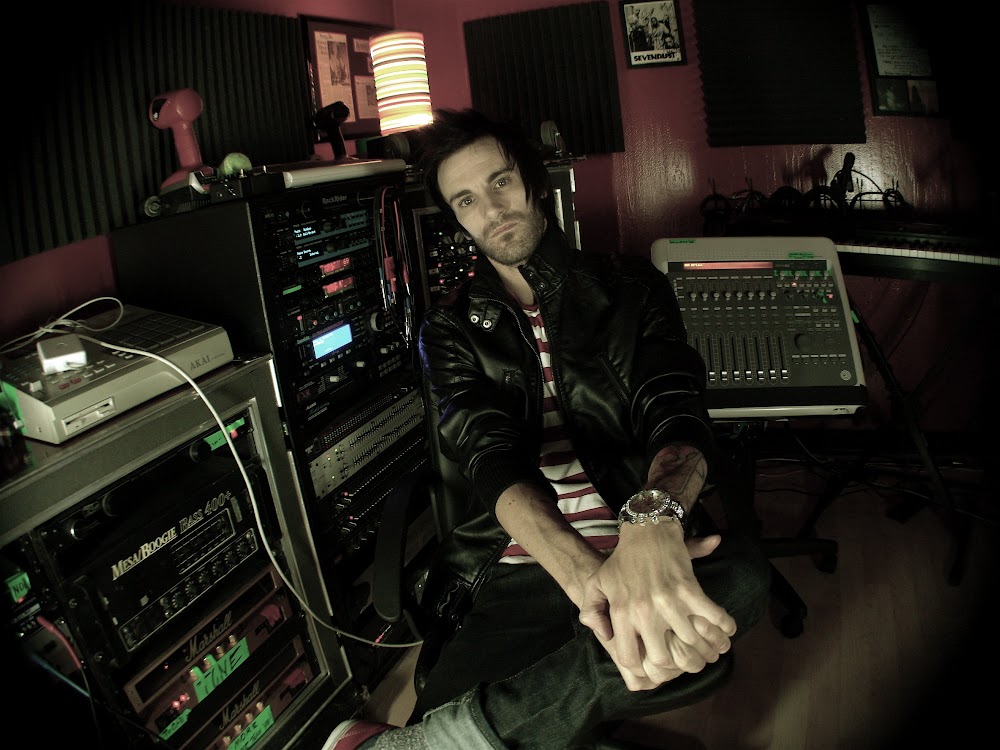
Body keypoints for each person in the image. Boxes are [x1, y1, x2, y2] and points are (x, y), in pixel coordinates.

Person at [325, 109, 771, 750]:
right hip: (521, 565)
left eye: (500, 182)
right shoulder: (447, 330)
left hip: (640, 540)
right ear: (455, 219)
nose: (491, 210)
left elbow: (675, 410)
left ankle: (454, 733)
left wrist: (650, 523)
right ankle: (563, 699)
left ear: (534, 184)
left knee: (744, 580)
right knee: (653, 648)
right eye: (466, 200)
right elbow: (490, 456)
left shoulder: (632, 287)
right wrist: (589, 578)